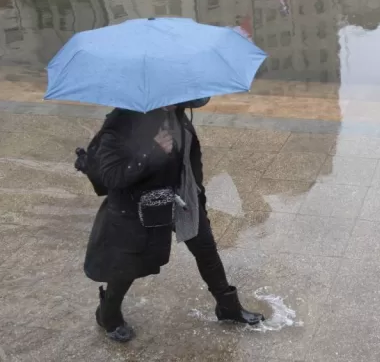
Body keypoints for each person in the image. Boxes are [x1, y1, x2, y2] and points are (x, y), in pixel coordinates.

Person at [83, 98, 263, 342]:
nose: (171, 102)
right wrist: (150, 152)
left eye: (176, 97)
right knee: (127, 266)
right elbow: (112, 177)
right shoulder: (121, 121)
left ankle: (228, 307)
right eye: (165, 99)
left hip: (180, 194)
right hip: (137, 206)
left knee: (205, 248)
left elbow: (190, 146)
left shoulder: (177, 111)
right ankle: (108, 314)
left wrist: (196, 193)